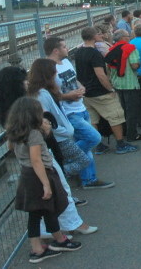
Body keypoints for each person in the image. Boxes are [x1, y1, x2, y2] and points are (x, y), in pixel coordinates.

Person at [0, 67, 97, 239]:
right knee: (60, 189)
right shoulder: (25, 107)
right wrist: (44, 127)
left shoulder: (6, 109)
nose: (27, 83)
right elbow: (35, 134)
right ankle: (72, 225)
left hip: (28, 160)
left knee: (45, 198)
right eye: (23, 80)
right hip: (40, 156)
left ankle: (53, 231)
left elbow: (13, 141)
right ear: (15, 84)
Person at [7, 97, 82, 263]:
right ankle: (57, 241)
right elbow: (36, 160)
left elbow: (13, 149)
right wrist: (46, 184)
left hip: (27, 175)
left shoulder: (16, 133)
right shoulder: (33, 134)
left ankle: (40, 246)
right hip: (39, 175)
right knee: (49, 208)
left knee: (37, 213)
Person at [44, 37, 113, 190]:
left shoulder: (67, 62)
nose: (67, 48)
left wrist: (81, 88)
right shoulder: (48, 68)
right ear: (56, 50)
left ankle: (88, 179)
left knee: (87, 145)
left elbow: (75, 80)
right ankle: (66, 161)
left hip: (80, 108)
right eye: (63, 46)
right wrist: (68, 96)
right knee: (93, 137)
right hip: (69, 112)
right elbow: (48, 94)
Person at [75, 26, 138, 155]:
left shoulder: (79, 52)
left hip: (86, 92)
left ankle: (99, 145)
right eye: (99, 34)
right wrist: (110, 88)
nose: (102, 36)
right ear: (93, 37)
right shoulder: (95, 53)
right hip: (100, 91)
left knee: (93, 119)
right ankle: (120, 144)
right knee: (115, 116)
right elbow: (100, 74)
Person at [26, 58, 91, 181]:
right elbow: (46, 118)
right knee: (82, 160)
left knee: (66, 160)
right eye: (55, 72)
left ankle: (58, 175)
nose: (57, 75)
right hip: (59, 137)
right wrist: (65, 130)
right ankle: (56, 174)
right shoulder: (42, 95)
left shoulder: (45, 92)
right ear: (48, 75)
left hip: (60, 136)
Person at [106, 29, 141, 142]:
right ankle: (132, 135)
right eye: (128, 35)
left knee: (123, 110)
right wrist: (139, 63)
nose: (130, 37)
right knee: (132, 111)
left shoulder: (111, 49)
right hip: (130, 84)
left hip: (117, 84)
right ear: (123, 38)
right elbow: (134, 66)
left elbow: (108, 66)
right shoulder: (130, 48)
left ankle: (124, 132)